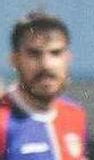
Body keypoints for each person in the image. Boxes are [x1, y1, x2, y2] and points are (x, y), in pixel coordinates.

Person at [1, 11, 87, 160]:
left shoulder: (75, 114)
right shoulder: (3, 119)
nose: (46, 65)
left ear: (68, 57)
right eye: (34, 54)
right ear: (14, 59)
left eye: (55, 53)